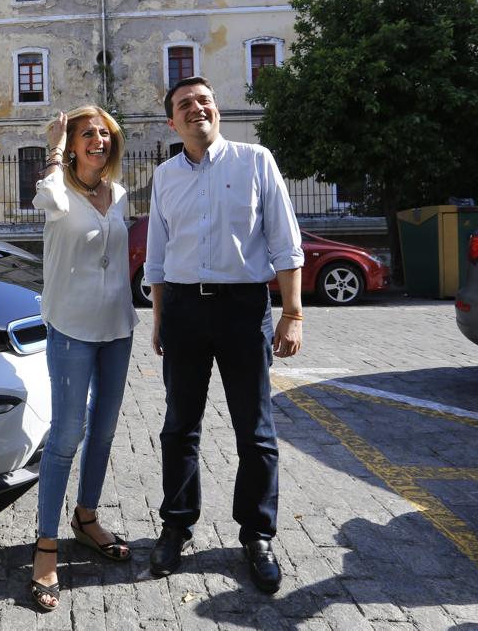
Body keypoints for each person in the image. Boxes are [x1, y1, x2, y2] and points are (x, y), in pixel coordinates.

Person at [143, 76, 304, 593]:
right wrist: (160, 318)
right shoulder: (165, 176)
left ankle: (256, 534)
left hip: (243, 308)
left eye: (204, 101)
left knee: (255, 431)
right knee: (179, 427)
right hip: (186, 310)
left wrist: (293, 313)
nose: (197, 109)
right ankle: (176, 525)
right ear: (172, 121)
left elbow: (284, 239)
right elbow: (158, 257)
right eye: (185, 104)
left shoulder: (256, 160)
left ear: (217, 110)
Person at [27, 105, 138, 612]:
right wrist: (53, 145)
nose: (99, 140)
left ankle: (86, 518)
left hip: (117, 329)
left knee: (105, 430)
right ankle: (45, 545)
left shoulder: (119, 195)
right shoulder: (58, 191)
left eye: (105, 133)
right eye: (88, 134)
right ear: (72, 144)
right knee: (68, 432)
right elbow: (45, 196)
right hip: (70, 329)